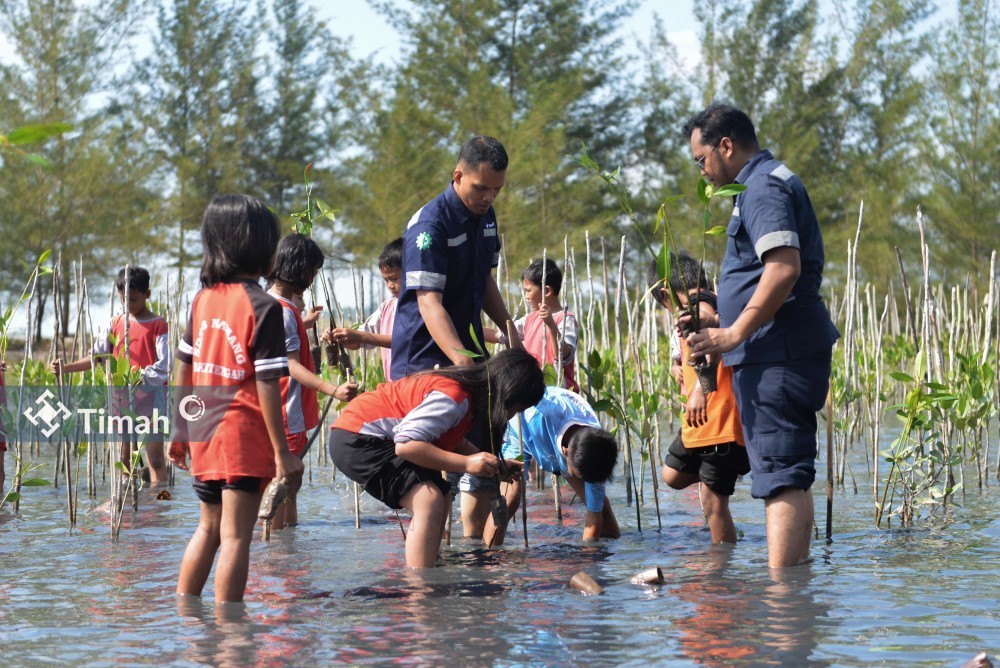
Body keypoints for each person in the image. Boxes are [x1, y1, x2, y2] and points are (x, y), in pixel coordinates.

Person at [683, 103, 839, 568]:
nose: (703, 173)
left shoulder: (761, 186)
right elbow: (761, 275)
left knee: (783, 475)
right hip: (777, 348)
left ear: (726, 145)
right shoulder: (764, 182)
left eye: (702, 160)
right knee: (786, 471)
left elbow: (783, 267)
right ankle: (793, 599)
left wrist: (732, 333)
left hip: (778, 353)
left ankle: (785, 605)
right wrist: (717, 321)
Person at [168, 193, 305, 603]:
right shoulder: (263, 307)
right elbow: (267, 385)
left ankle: (187, 619)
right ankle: (231, 635)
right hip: (242, 437)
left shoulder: (202, 300)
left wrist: (178, 430)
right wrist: (282, 454)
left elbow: (183, 370)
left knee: (207, 529)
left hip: (204, 434)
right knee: (236, 538)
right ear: (260, 249)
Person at [390, 136, 520, 538]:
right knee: (431, 472)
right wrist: (462, 362)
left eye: (496, 189)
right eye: (480, 188)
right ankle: (433, 555)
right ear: (457, 175)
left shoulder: (487, 216)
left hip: (469, 353)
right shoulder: (429, 226)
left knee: (485, 447)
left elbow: (485, 279)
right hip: (424, 359)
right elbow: (429, 303)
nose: (488, 197)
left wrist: (508, 327)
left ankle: (472, 547)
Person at [328, 348, 545, 568]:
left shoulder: (470, 399)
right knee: (428, 499)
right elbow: (406, 445)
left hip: (372, 436)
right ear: (507, 394)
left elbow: (452, 440)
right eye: (516, 409)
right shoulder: (455, 396)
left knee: (441, 494)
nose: (511, 416)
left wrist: (497, 466)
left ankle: (431, 564)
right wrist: (468, 464)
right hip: (358, 436)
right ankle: (421, 588)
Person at [649, 252, 749, 544]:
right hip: (702, 422)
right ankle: (723, 475)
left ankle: (719, 576)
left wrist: (699, 390)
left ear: (665, 293)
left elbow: (714, 340)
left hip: (718, 417)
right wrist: (677, 365)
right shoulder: (709, 301)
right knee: (672, 475)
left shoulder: (701, 306)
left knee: (713, 503)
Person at [266, 233, 358, 530]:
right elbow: (291, 366)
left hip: (271, 412)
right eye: (313, 272)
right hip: (285, 413)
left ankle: (287, 551)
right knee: (285, 487)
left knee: (288, 488)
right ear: (300, 269)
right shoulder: (282, 312)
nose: (312, 279)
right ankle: (281, 557)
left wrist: (303, 323)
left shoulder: (270, 304)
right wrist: (333, 389)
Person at [50, 266, 170, 485]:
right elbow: (96, 358)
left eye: (133, 299)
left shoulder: (158, 325)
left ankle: (159, 510)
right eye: (124, 299)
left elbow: (164, 366)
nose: (128, 304)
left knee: (155, 460)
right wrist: (65, 368)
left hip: (152, 398)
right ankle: (126, 505)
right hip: (121, 398)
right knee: (123, 457)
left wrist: (139, 376)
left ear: (147, 294)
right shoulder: (115, 323)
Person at [480, 386, 620, 547]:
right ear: (565, 453)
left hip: (565, 436)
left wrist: (589, 562)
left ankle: (611, 548)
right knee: (510, 498)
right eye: (578, 474)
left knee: (599, 505)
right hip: (522, 426)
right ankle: (490, 556)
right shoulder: (537, 417)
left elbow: (594, 515)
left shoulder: (596, 448)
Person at [487, 258, 581, 392]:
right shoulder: (530, 318)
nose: (525, 296)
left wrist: (551, 325)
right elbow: (500, 334)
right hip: (535, 392)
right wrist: (464, 328)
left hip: (560, 394)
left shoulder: (565, 319)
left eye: (528, 290)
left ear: (547, 291)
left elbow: (563, 356)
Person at [327, 238, 402, 382]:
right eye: (386, 280)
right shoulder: (387, 308)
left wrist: (361, 337)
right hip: (393, 387)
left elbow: (409, 342)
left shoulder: (423, 307)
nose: (390, 286)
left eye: (394, 278)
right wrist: (341, 336)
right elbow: (359, 341)